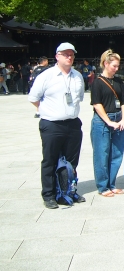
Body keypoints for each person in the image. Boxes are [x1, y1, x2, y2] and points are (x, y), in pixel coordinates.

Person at [28, 43, 85, 209]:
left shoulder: (77, 76)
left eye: (72, 54)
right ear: (57, 56)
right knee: (50, 160)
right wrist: (46, 110)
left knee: (71, 161)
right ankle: (49, 194)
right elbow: (33, 98)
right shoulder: (46, 76)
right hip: (52, 124)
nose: (69, 57)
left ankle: (68, 191)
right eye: (65, 54)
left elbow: (79, 97)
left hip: (73, 123)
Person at [91, 49, 124, 197]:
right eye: (114, 66)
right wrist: (108, 121)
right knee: (102, 153)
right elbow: (96, 103)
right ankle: (102, 186)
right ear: (106, 64)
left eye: (118, 66)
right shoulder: (97, 82)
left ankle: (112, 183)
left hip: (118, 117)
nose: (116, 69)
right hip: (102, 120)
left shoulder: (118, 81)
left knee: (117, 153)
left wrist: (123, 118)